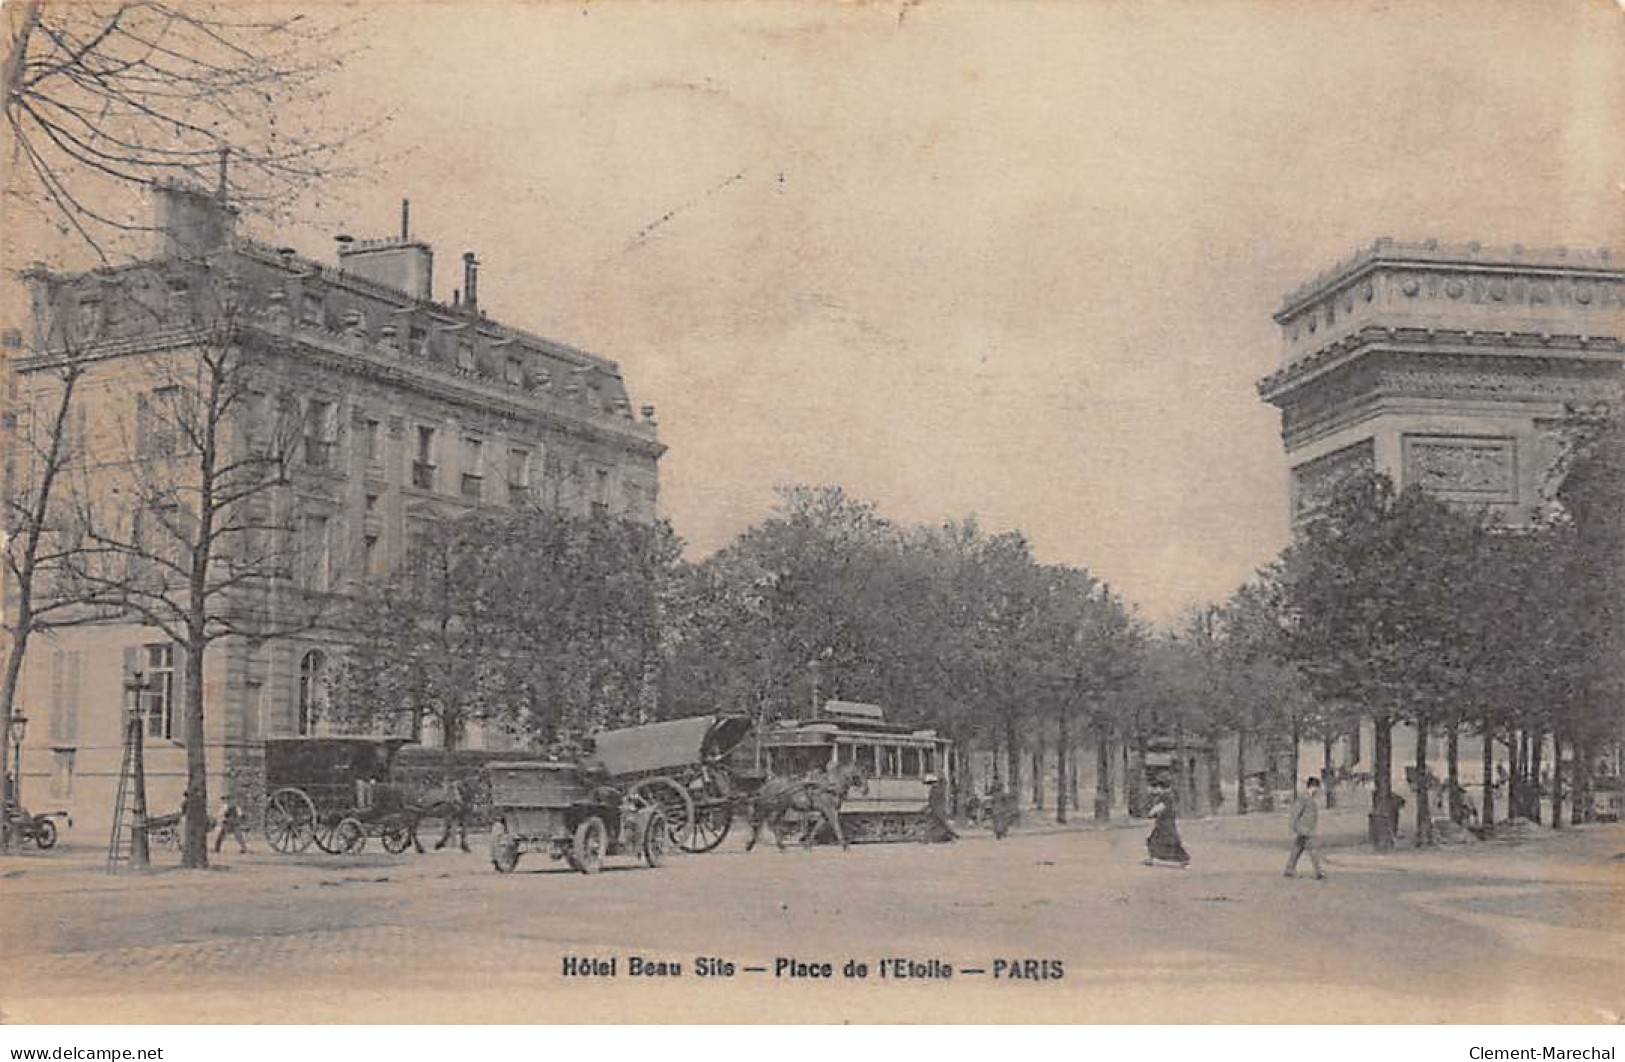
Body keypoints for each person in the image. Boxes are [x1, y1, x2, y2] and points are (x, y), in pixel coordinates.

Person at [1285, 776, 1326, 879]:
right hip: (1304, 829)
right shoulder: (1304, 798)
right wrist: (1293, 826)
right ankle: (1319, 871)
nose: (1318, 790)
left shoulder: (1310, 798)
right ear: (1312, 786)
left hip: (1306, 829)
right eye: (1317, 787)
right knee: (1313, 850)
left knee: (1297, 849)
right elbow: (1295, 812)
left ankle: (1289, 869)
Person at [1142, 783, 1189, 867]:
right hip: (1164, 823)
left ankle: (1183, 858)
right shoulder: (1167, 796)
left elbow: (1160, 807)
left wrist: (1151, 812)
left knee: (1165, 840)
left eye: (1154, 788)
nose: (1153, 791)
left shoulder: (1165, 797)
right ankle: (1154, 858)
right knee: (1155, 839)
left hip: (1165, 824)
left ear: (1159, 788)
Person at [434, 775, 473, 853]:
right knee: (455, 824)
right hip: (452, 807)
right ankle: (459, 842)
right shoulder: (450, 788)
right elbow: (452, 798)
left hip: (454, 806)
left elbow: (456, 797)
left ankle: (447, 841)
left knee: (458, 825)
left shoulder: (453, 787)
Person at [922, 773, 958, 842]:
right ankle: (951, 835)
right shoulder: (939, 790)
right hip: (937, 809)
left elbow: (932, 801)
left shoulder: (936, 790)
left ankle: (952, 835)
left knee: (940, 824)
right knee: (937, 824)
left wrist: (929, 807)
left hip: (937, 810)